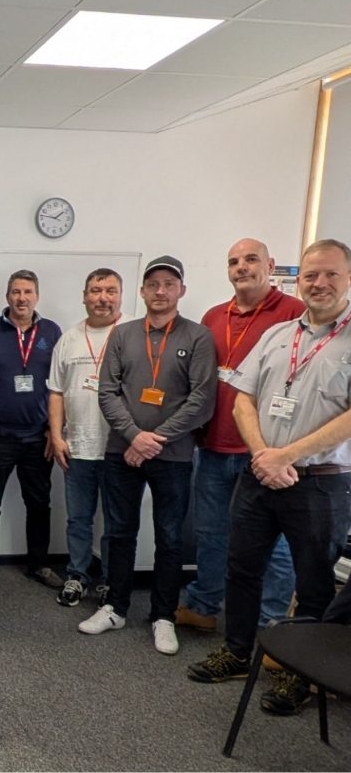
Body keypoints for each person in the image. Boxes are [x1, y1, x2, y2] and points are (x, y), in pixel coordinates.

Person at [187, 239, 351, 715]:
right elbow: (243, 398)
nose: (319, 283)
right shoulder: (280, 334)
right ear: (298, 279)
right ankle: (238, 652)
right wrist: (263, 455)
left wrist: (286, 456)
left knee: (315, 581)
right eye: (311, 275)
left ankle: (304, 675)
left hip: (320, 480)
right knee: (243, 567)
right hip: (260, 475)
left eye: (331, 275)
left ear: (347, 278)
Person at [80, 255, 216, 656]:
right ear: (142, 291)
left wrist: (154, 438)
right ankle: (114, 607)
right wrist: (135, 436)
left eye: (168, 285)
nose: (160, 291)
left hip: (172, 456)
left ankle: (163, 616)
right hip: (123, 451)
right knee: (118, 532)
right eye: (153, 284)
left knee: (171, 538)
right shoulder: (122, 334)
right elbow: (107, 391)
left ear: (181, 291)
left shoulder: (197, 337)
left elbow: (203, 399)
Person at [177, 239, 305, 633]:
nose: (242, 267)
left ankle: (272, 622)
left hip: (266, 451)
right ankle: (204, 604)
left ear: (270, 265)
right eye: (234, 262)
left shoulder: (295, 314)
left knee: (276, 542)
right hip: (214, 445)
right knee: (211, 533)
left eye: (251, 260)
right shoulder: (214, 316)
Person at [0, 270, 63, 590]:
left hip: (38, 437)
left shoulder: (51, 331)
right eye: (15, 292)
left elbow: (58, 387)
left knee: (39, 503)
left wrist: (55, 430)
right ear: (7, 296)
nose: (21, 298)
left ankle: (38, 564)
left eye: (27, 292)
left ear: (37, 296)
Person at [47, 268, 124, 607]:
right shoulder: (69, 338)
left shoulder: (133, 333)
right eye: (95, 290)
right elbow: (55, 391)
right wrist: (56, 435)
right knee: (78, 518)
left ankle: (109, 580)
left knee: (114, 521)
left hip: (120, 449)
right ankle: (77, 576)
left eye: (109, 290)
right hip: (76, 447)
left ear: (121, 295)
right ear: (84, 296)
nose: (102, 298)